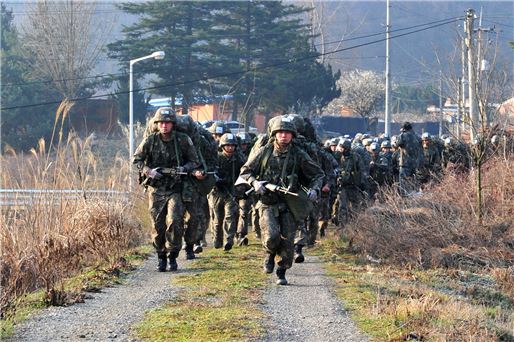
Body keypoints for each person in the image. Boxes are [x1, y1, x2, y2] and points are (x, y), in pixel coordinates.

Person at [239, 116, 324, 285]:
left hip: (289, 203)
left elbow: (317, 174)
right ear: (274, 134)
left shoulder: (299, 154)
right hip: (267, 201)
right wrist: (255, 183)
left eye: (287, 133)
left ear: (292, 135)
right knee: (271, 237)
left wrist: (315, 189)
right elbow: (245, 170)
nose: (283, 136)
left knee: (288, 241)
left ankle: (281, 271)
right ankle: (269, 254)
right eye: (280, 132)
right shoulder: (265, 151)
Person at [133, 107, 203, 272]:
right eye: (161, 123)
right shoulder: (150, 140)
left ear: (173, 124)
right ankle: (161, 256)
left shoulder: (183, 140)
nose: (164, 126)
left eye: (167, 123)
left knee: (175, 221)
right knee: (158, 226)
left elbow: (195, 161)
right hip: (156, 189)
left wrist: (184, 168)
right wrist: (148, 171)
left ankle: (172, 255)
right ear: (157, 124)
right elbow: (137, 159)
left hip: (175, 188)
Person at [209, 133, 246, 251]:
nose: (230, 148)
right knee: (217, 219)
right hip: (216, 193)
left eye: (232, 145)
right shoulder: (216, 157)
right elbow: (210, 172)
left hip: (231, 192)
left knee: (230, 216)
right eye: (227, 145)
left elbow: (245, 173)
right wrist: (216, 180)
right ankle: (217, 240)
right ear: (222, 146)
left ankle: (228, 240)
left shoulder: (239, 159)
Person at [396, 122, 422, 196]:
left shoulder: (402, 136)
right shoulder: (417, 136)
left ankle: (404, 196)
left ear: (403, 129)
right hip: (415, 163)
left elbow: (397, 144)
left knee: (403, 180)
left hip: (405, 163)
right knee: (414, 180)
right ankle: (416, 195)